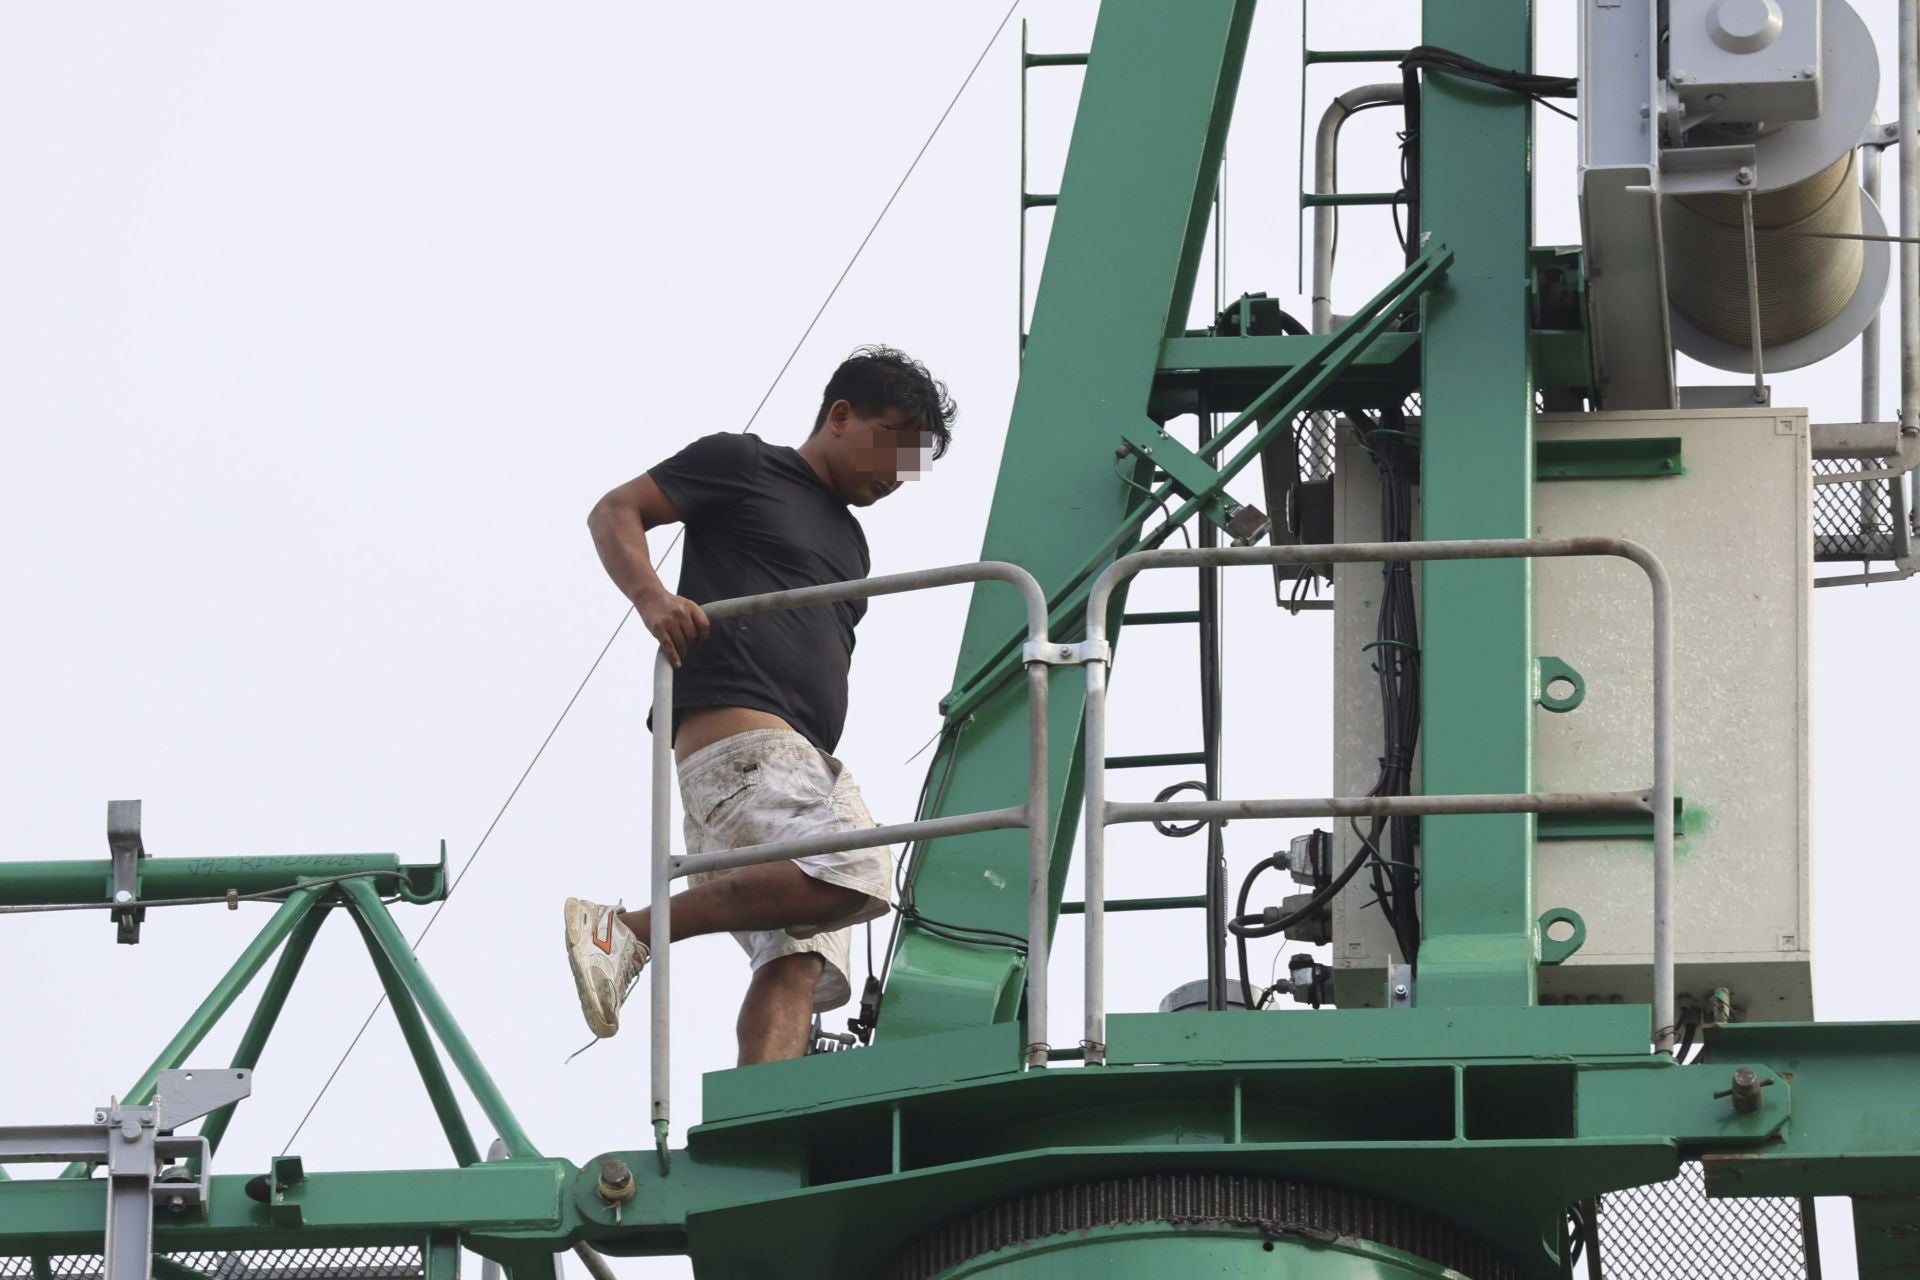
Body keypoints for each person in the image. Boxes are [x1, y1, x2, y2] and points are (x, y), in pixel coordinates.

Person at [565, 345, 956, 1065]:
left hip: (796, 765)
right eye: (894, 445)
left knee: (799, 963)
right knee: (858, 868)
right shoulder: (746, 464)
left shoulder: (852, 543)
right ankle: (628, 932)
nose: (898, 475)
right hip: (747, 750)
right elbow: (615, 510)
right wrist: (653, 599)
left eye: (914, 465)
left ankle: (763, 1110)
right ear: (841, 415)